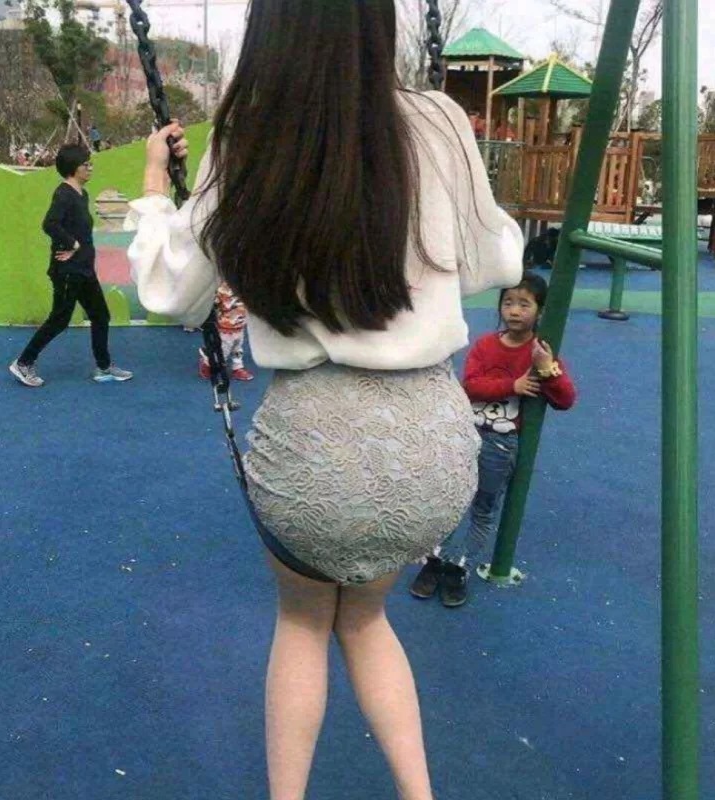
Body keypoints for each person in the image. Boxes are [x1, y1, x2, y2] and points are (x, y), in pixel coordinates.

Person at [125, 2, 523, 797]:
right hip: (428, 449)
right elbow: (496, 262)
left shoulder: (250, 138)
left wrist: (153, 186)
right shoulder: (438, 122)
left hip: (316, 447)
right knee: (366, 619)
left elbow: (170, 292)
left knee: (305, 622)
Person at [410, 272, 577, 608]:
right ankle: (435, 560)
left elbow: (565, 399)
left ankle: (459, 567)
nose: (514, 310)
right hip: (465, 433)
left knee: (484, 507)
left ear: (540, 311)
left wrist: (547, 369)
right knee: (449, 498)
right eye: (508, 302)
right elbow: (470, 385)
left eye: (524, 304)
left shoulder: (540, 353)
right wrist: (512, 386)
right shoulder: (486, 345)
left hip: (501, 444)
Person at [9, 143, 132, 388]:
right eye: (86, 164)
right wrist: (72, 244)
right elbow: (50, 224)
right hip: (67, 271)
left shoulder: (82, 194)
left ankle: (104, 367)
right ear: (74, 168)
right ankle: (23, 363)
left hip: (84, 269)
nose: (90, 168)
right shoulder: (63, 194)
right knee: (59, 320)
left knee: (100, 315)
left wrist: (80, 249)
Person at [197, 281, 254, 381]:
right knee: (223, 352)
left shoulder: (246, 287)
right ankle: (207, 361)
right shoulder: (223, 290)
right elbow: (211, 305)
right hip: (225, 329)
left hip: (240, 327)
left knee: (238, 349)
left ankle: (238, 367)